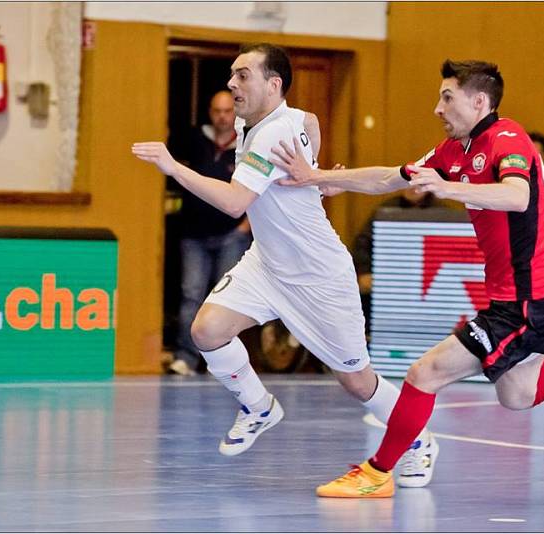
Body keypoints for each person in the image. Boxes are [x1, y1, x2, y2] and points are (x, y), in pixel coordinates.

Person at [271, 59, 544, 498]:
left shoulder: (507, 138)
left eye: (447, 98)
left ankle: (377, 471)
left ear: (479, 101)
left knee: (425, 373)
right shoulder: (454, 151)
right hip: (522, 297)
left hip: (525, 297)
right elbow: (392, 177)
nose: (437, 109)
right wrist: (322, 177)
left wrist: (450, 189)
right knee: (517, 393)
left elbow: (518, 195)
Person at [133, 43, 437, 488]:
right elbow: (309, 121)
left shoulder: (273, 133)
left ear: (273, 85)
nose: (232, 83)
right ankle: (258, 407)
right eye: (232, 75)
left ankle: (417, 439)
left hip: (319, 276)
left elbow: (235, 202)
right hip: (268, 263)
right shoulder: (260, 121)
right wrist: (312, 157)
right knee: (207, 331)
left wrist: (172, 166)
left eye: (242, 76)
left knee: (357, 382)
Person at [167, 91, 252, 376]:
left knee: (227, 300)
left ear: (235, 113)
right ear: (209, 112)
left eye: (227, 111)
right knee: (191, 294)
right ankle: (186, 358)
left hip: (231, 233)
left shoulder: (246, 144)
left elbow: (259, 189)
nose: (222, 116)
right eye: (217, 111)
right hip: (193, 234)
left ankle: (223, 365)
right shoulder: (194, 141)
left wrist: (245, 227)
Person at [353, 188, 434, 336]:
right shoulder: (386, 209)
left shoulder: (441, 212)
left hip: (424, 283)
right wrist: (365, 272)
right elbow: (363, 243)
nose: (412, 188)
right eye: (408, 183)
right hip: (387, 281)